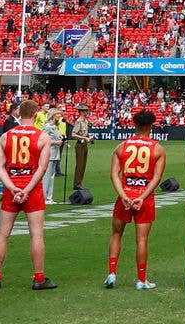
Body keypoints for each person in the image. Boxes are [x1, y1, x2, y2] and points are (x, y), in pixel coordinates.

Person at [0, 99, 58, 291]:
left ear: (19, 114)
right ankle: (38, 278)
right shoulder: (42, 137)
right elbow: (42, 169)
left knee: (2, 235)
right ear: (35, 114)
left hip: (12, 187)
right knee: (36, 235)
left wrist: (12, 188)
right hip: (31, 189)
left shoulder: (6, 136)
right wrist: (26, 190)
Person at [105, 108, 165, 290]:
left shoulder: (121, 147)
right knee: (142, 240)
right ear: (151, 126)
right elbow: (157, 178)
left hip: (124, 195)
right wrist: (142, 197)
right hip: (144, 198)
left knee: (116, 234)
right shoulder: (157, 148)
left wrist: (123, 195)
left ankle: (112, 273)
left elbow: (114, 174)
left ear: (134, 124)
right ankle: (141, 280)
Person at [68, 107, 93, 192]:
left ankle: (79, 183)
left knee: (83, 165)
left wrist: (88, 138)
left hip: (84, 144)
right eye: (85, 111)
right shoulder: (79, 121)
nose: (86, 112)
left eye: (87, 110)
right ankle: (77, 184)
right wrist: (84, 138)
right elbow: (73, 134)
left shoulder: (85, 121)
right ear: (81, 112)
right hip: (80, 144)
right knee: (79, 165)